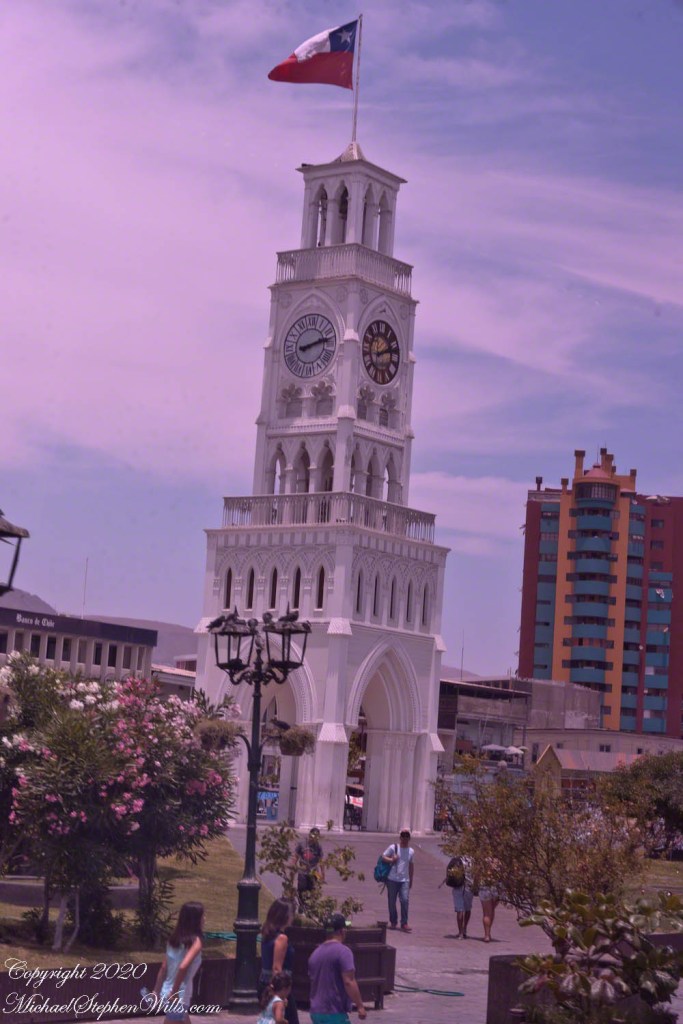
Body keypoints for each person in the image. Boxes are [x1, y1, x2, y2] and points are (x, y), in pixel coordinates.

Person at [308, 912, 367, 1024]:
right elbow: (349, 981)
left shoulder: (315, 954)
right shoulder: (343, 952)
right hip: (334, 1011)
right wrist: (360, 1006)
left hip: (316, 1011)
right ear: (341, 931)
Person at [151, 901, 204, 1022]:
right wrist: (174, 992)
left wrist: (156, 990)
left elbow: (164, 967)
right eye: (202, 916)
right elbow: (183, 967)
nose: (204, 919)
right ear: (195, 920)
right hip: (178, 994)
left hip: (167, 990)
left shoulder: (173, 939)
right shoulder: (196, 942)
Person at [260, 898, 299, 1024]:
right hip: (279, 987)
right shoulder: (282, 938)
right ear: (285, 916)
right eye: (292, 914)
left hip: (265, 983)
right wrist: (281, 994)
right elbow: (277, 968)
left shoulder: (267, 935)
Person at [381, 828, 414, 932]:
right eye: (403, 836)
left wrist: (411, 880)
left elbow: (411, 866)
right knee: (392, 901)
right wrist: (392, 859)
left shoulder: (411, 851)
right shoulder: (393, 847)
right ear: (400, 837)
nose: (405, 838)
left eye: (407, 836)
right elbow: (383, 857)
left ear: (409, 838)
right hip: (392, 879)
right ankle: (393, 921)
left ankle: (404, 923)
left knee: (405, 900)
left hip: (404, 880)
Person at [293, 827, 324, 911]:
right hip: (302, 871)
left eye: (317, 837)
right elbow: (295, 856)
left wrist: (322, 875)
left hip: (314, 872)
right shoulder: (302, 844)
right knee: (301, 888)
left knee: (312, 890)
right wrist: (292, 866)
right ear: (310, 835)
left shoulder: (318, 847)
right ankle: (302, 906)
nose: (314, 838)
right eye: (313, 836)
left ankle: (309, 908)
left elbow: (321, 861)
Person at [447, 855, 473, 939]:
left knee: (459, 910)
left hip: (457, 886)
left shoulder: (457, 859)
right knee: (468, 909)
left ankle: (460, 932)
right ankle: (464, 929)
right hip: (469, 887)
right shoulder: (473, 860)